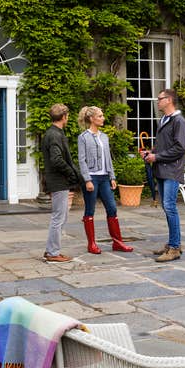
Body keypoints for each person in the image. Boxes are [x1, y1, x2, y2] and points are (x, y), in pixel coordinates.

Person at [141, 89, 185, 262]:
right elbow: (164, 145)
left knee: (170, 207)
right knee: (166, 206)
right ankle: (172, 243)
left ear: (169, 100)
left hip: (172, 170)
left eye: (160, 99)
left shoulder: (179, 121)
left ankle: (175, 248)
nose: (157, 101)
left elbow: (180, 147)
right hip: (161, 169)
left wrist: (157, 156)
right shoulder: (164, 120)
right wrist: (151, 152)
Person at [77, 106, 133, 254]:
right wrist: (87, 179)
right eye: (100, 116)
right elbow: (81, 161)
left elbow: (108, 158)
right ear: (91, 119)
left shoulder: (105, 137)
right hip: (91, 178)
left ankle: (118, 243)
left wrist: (112, 176)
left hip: (104, 178)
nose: (103, 118)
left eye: (102, 115)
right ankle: (92, 244)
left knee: (112, 208)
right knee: (90, 210)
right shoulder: (83, 137)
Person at [41, 103, 81, 263]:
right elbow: (56, 160)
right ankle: (52, 253)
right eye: (68, 115)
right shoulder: (54, 135)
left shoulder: (53, 133)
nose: (68, 118)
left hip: (58, 181)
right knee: (58, 217)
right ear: (64, 117)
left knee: (61, 216)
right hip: (58, 182)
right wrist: (71, 173)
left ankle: (52, 250)